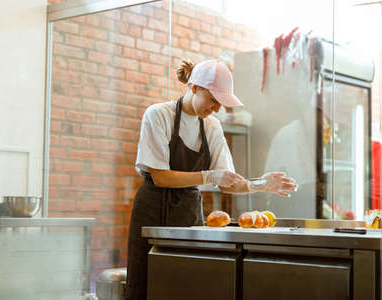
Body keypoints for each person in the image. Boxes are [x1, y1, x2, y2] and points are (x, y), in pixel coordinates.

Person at [126, 59, 298, 300]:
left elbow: (227, 182)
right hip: (152, 210)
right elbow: (161, 176)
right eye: (214, 100)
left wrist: (258, 184)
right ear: (194, 87)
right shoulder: (158, 115)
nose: (217, 108)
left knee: (186, 285)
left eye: (221, 103)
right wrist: (208, 176)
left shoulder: (212, 126)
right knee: (146, 285)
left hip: (188, 214)